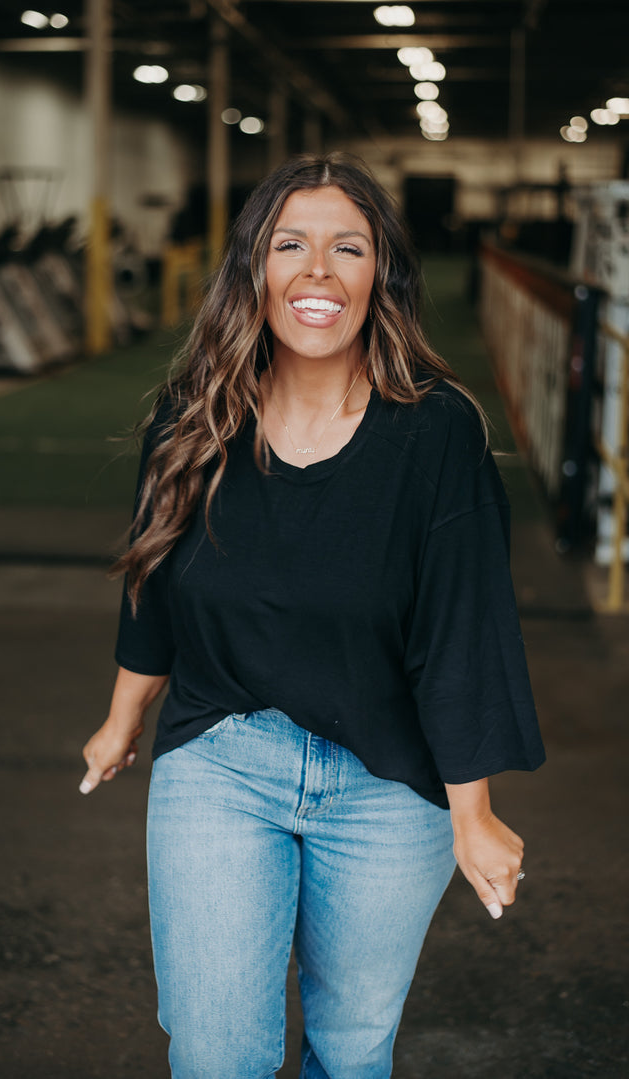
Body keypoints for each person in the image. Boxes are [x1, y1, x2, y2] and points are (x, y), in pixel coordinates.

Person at [79, 153, 545, 1079]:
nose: (318, 271)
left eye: (349, 248)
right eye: (290, 244)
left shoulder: (437, 432)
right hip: (222, 759)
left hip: (389, 780)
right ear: (254, 268)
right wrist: (122, 717)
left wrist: (475, 812)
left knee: (351, 1050)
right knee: (216, 1054)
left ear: (382, 275)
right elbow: (155, 583)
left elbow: (462, 630)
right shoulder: (194, 418)